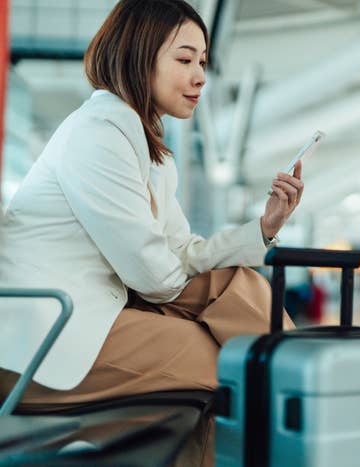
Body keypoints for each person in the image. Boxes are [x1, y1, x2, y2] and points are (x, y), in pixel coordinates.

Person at [0, 1, 301, 464]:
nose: (200, 76)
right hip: (42, 336)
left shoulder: (148, 149)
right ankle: (302, 376)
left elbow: (180, 253)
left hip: (84, 317)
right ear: (139, 57)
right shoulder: (98, 134)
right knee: (227, 358)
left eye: (202, 61)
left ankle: (293, 370)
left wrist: (262, 228)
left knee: (232, 287)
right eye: (184, 60)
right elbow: (156, 276)